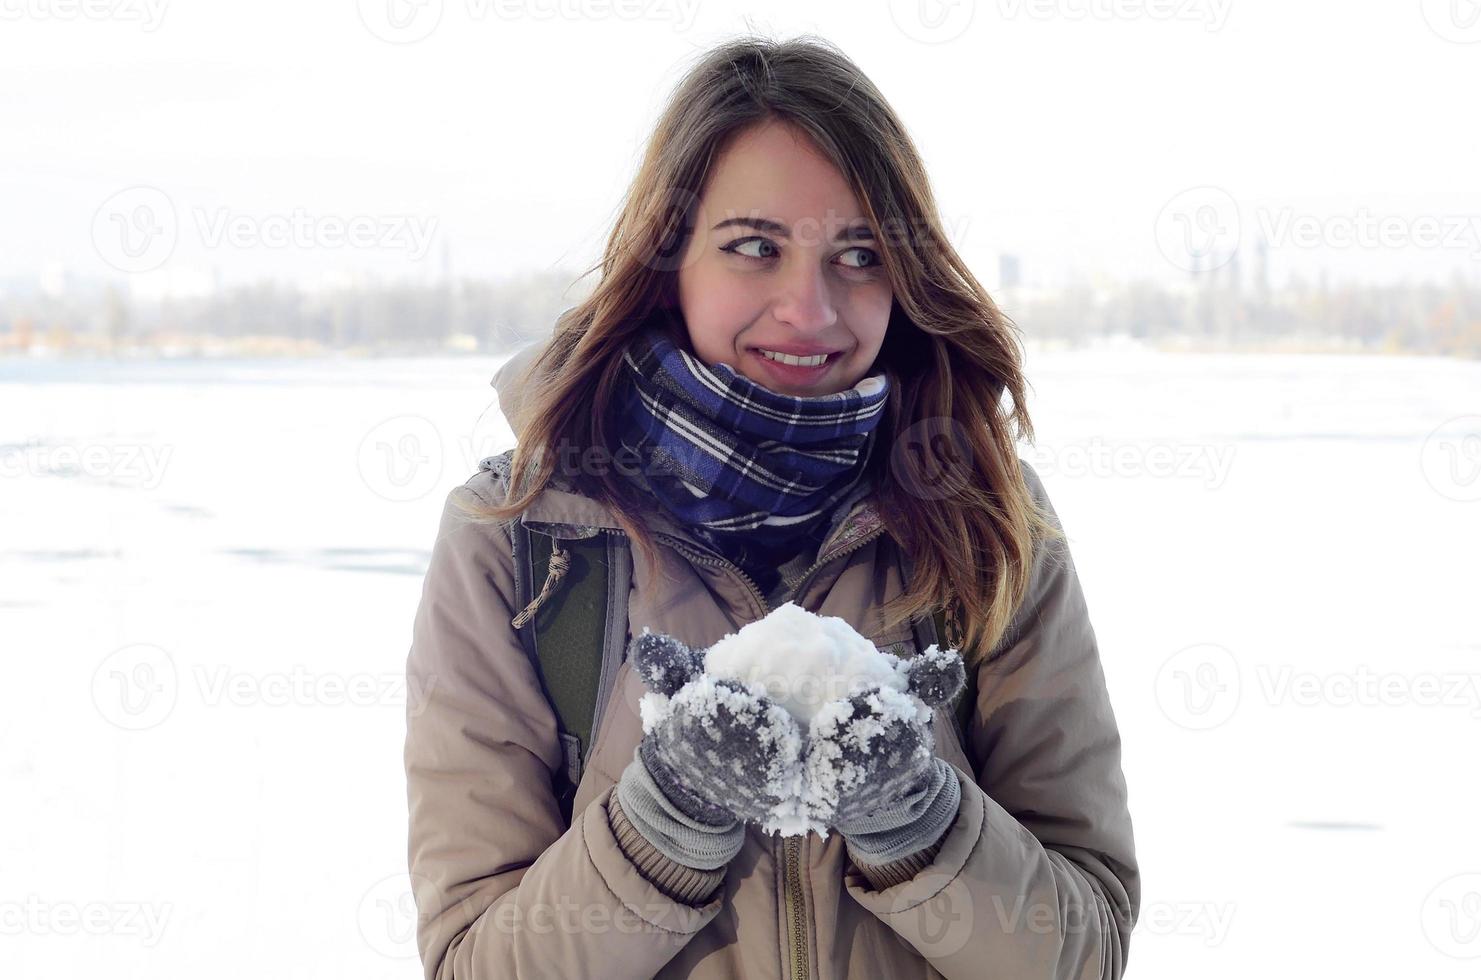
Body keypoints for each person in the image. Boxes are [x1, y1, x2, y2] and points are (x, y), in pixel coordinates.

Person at [403, 34, 1138, 979]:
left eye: (860, 254)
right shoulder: (522, 538)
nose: (811, 308)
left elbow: (1084, 955)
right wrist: (661, 822)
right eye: (755, 247)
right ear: (666, 258)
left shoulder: (988, 521)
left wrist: (918, 819)